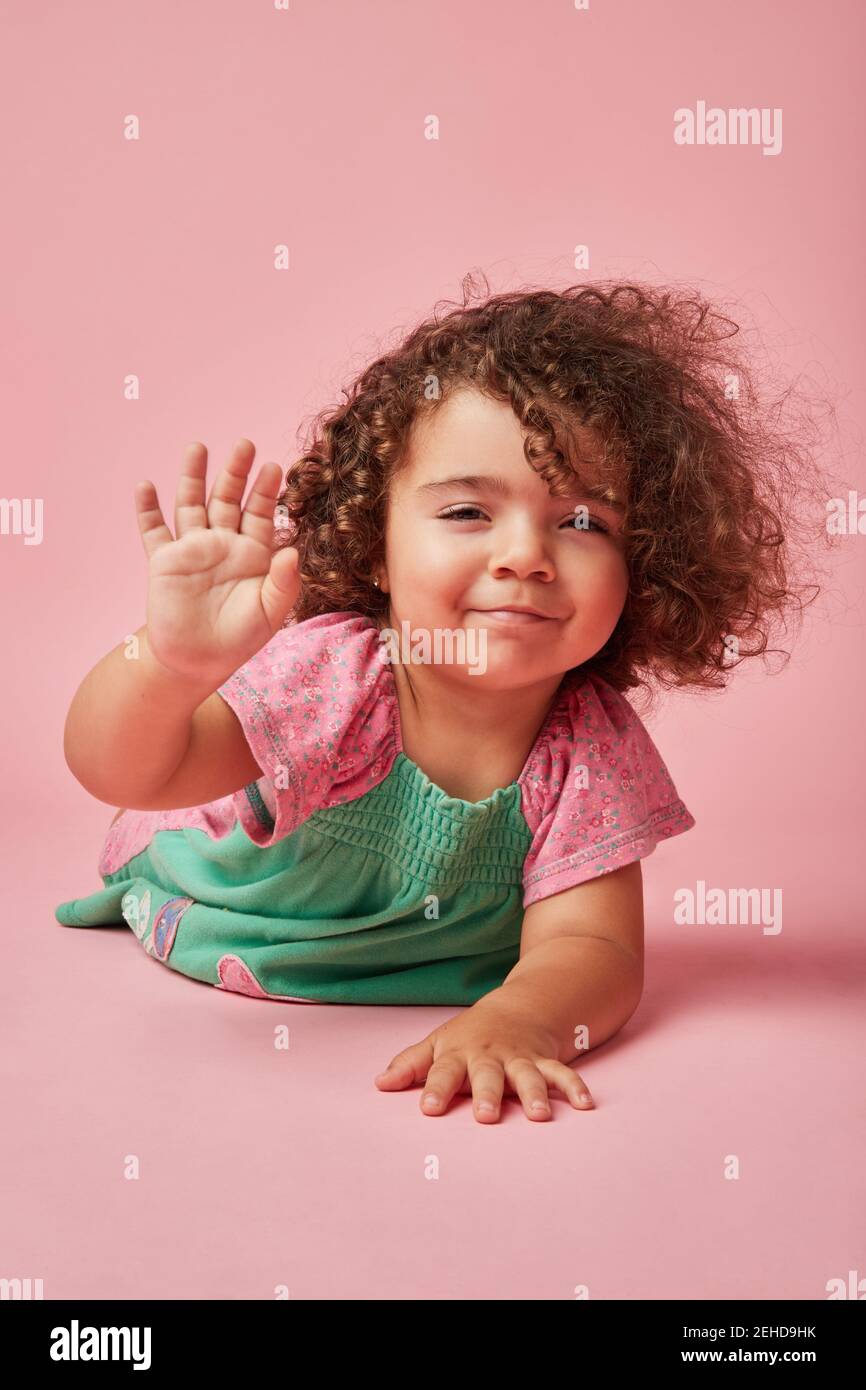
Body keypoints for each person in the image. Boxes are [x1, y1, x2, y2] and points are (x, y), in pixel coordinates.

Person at [55, 276, 828, 1123]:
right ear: (374, 548)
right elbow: (131, 769)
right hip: (228, 895)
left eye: (582, 523)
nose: (526, 555)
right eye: (466, 510)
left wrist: (519, 1017)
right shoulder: (339, 678)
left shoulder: (590, 745)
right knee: (161, 815)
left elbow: (594, 947)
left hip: (445, 978)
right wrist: (167, 666)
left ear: (642, 565)